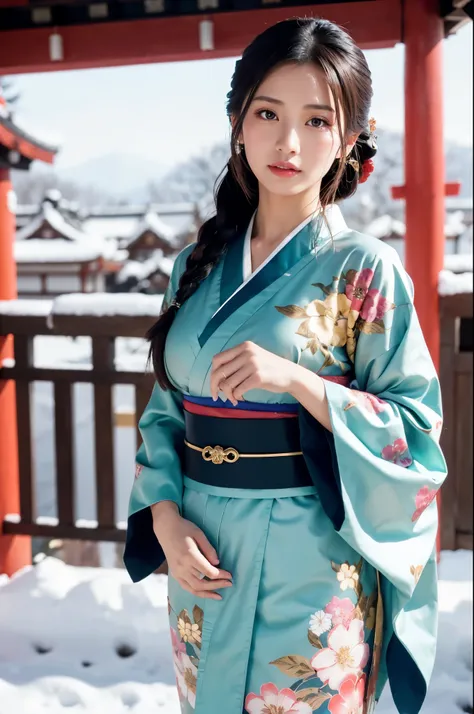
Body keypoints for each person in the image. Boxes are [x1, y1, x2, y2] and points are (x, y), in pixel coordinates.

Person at [123, 17, 447, 714]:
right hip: (201, 551)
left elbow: (416, 431)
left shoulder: (366, 269)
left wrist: (300, 381)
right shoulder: (197, 264)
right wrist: (166, 519)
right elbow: (164, 413)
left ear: (350, 139)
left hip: (314, 560)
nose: (288, 143)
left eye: (317, 120)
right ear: (238, 122)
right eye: (267, 113)